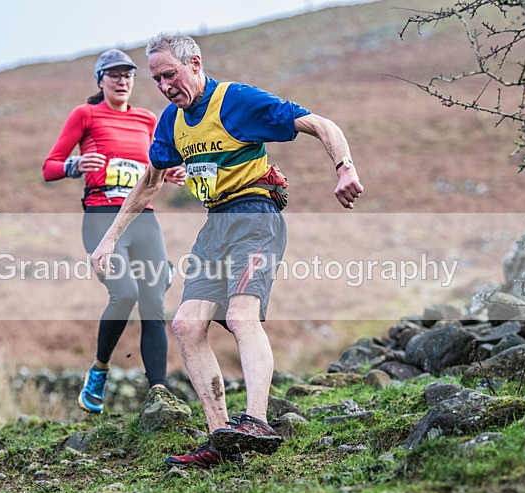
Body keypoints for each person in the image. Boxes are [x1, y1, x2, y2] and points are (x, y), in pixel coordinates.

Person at [90, 33, 364, 467]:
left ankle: (256, 420)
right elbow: (149, 183)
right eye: (157, 79)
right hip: (215, 225)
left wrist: (344, 167)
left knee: (240, 316)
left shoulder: (237, 101)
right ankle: (222, 437)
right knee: (185, 325)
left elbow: (321, 124)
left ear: (195, 62)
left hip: (255, 215)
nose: (164, 86)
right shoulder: (171, 122)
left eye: (170, 75)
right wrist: (108, 238)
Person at [42, 49, 186, 414]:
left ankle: (159, 397)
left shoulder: (147, 118)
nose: (122, 81)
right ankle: (100, 369)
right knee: (124, 292)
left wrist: (173, 173)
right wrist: (74, 164)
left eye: (128, 75)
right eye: (114, 75)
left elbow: (161, 162)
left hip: (143, 218)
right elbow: (49, 167)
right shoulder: (85, 114)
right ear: (100, 80)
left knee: (153, 303)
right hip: (101, 219)